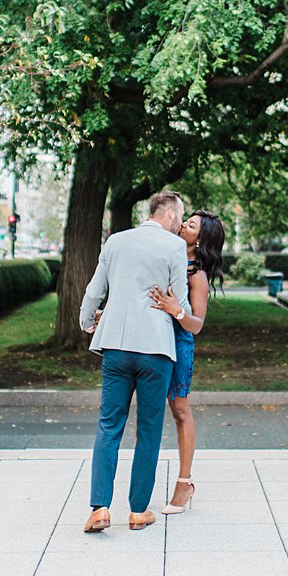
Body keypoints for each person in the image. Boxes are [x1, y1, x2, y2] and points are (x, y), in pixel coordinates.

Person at [79, 191, 191, 533]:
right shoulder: (174, 247)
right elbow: (179, 299)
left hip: (115, 346)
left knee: (109, 424)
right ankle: (138, 511)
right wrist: (178, 310)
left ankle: (99, 508)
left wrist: (87, 322)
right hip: (156, 348)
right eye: (180, 217)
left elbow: (95, 290)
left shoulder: (116, 241)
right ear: (170, 213)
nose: (180, 225)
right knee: (149, 429)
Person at [149, 209, 225, 515]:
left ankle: (184, 483)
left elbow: (197, 324)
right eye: (185, 221)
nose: (183, 225)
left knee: (180, 409)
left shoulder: (198, 276)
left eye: (191, 225)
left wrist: (174, 309)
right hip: (152, 338)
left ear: (200, 238)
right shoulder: (167, 255)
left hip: (179, 342)